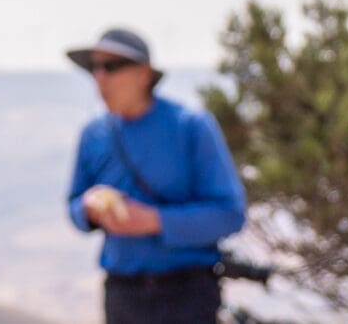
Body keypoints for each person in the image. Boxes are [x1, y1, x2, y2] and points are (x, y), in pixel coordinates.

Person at [64, 28, 248, 324]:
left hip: (187, 294)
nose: (100, 78)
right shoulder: (93, 135)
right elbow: (73, 207)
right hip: (122, 295)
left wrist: (154, 221)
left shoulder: (191, 126)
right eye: (94, 68)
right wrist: (88, 209)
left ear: (144, 75)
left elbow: (230, 214)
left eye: (111, 66)